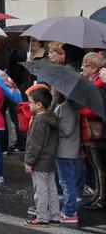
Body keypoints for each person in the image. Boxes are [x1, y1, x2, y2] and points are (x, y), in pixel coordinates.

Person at [24, 88, 60, 227]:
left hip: (39, 161)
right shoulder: (51, 117)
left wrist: (29, 161)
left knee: (41, 191)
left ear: (38, 104)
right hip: (49, 159)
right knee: (51, 189)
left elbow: (35, 144)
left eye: (30, 102)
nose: (29, 105)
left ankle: (42, 217)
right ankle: (54, 216)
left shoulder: (39, 121)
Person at [78, 52, 106, 210]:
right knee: (95, 165)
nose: (83, 68)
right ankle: (98, 194)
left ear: (95, 68)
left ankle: (102, 197)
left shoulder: (99, 84)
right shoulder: (91, 83)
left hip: (97, 130)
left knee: (100, 165)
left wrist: (80, 108)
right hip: (88, 129)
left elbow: (95, 110)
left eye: (86, 65)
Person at [54, 88, 81, 224]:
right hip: (67, 150)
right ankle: (69, 209)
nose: (52, 89)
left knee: (67, 182)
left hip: (65, 151)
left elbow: (66, 130)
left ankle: (69, 212)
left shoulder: (66, 107)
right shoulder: (70, 106)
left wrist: (54, 123)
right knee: (67, 181)